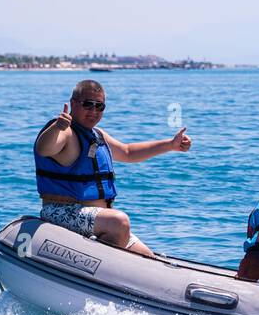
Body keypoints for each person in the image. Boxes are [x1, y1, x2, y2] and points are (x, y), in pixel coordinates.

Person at [33, 79, 191, 257]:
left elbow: (128, 152)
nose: (93, 111)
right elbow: (44, 148)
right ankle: (96, 274)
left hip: (96, 220)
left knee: (149, 258)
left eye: (99, 106)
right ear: (73, 104)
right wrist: (57, 127)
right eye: (88, 104)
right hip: (62, 212)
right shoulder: (65, 131)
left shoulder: (96, 134)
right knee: (119, 221)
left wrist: (171, 145)